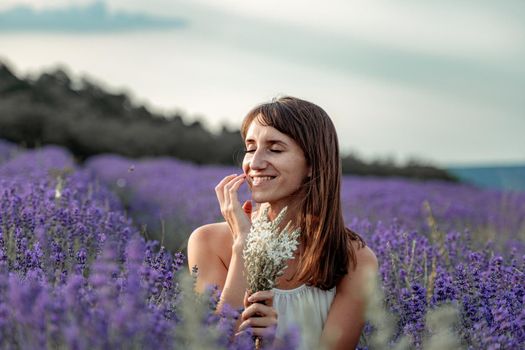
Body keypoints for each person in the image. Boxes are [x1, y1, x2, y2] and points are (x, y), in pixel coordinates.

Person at [187, 96, 378, 349]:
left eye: (275, 149)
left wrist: (275, 343)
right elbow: (214, 344)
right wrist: (244, 246)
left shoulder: (353, 258)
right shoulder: (208, 241)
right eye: (251, 147)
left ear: (312, 163)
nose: (254, 163)